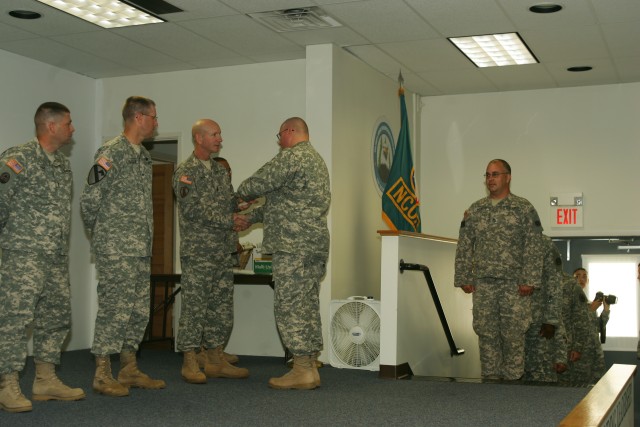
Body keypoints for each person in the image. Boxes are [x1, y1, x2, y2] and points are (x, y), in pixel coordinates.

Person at [0, 102, 85, 412]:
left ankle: (45, 380)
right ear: (51, 126)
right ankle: (6, 384)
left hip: (55, 258)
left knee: (56, 316)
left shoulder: (62, 165)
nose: (73, 129)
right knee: (14, 320)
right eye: (69, 123)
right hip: (22, 257)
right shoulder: (17, 159)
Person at [236, 117, 330, 390]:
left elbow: (256, 183)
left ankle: (301, 369)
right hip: (313, 245)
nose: (279, 142)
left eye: (279, 136)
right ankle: (310, 365)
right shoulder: (317, 161)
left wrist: (240, 197)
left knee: (290, 306)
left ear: (290, 132)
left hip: (292, 245)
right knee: (307, 304)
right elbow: (282, 204)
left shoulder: (292, 157)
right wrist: (252, 217)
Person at [80, 96, 165, 397]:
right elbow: (90, 199)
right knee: (115, 308)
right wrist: (103, 235)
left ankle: (128, 368)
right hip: (116, 248)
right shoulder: (111, 152)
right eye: (153, 117)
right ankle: (102, 373)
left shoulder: (142, 155)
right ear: (139, 117)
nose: (156, 122)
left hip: (140, 248)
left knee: (138, 310)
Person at [173, 119, 251, 383]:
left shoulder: (218, 171)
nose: (219, 139)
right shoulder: (186, 172)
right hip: (199, 252)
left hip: (222, 250)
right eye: (214, 134)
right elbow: (193, 210)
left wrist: (241, 204)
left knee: (221, 307)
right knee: (195, 307)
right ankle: (190, 361)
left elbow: (228, 202)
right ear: (199, 138)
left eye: (220, 134)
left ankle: (216, 359)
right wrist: (228, 220)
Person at [454, 159, 543, 380]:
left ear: (508, 177)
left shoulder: (523, 208)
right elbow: (465, 244)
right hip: (484, 284)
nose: (490, 179)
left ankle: (513, 384)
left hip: (514, 285)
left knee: (513, 334)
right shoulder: (475, 210)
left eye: (495, 174)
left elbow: (534, 244)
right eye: (487, 175)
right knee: (486, 333)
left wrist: (529, 279)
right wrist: (464, 276)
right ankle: (490, 382)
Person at [523, 235, 566, 383]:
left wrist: (550, 320)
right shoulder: (506, 239)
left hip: (539, 321)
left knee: (541, 372)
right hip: (514, 321)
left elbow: (554, 286)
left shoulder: (543, 243)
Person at [570, 267, 608, 383]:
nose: (581, 279)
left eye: (584, 276)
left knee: (599, 385)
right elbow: (573, 324)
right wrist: (590, 309)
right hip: (581, 350)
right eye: (577, 276)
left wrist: (606, 310)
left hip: (594, 349)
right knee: (581, 386)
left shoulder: (588, 302)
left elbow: (597, 326)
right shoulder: (570, 300)